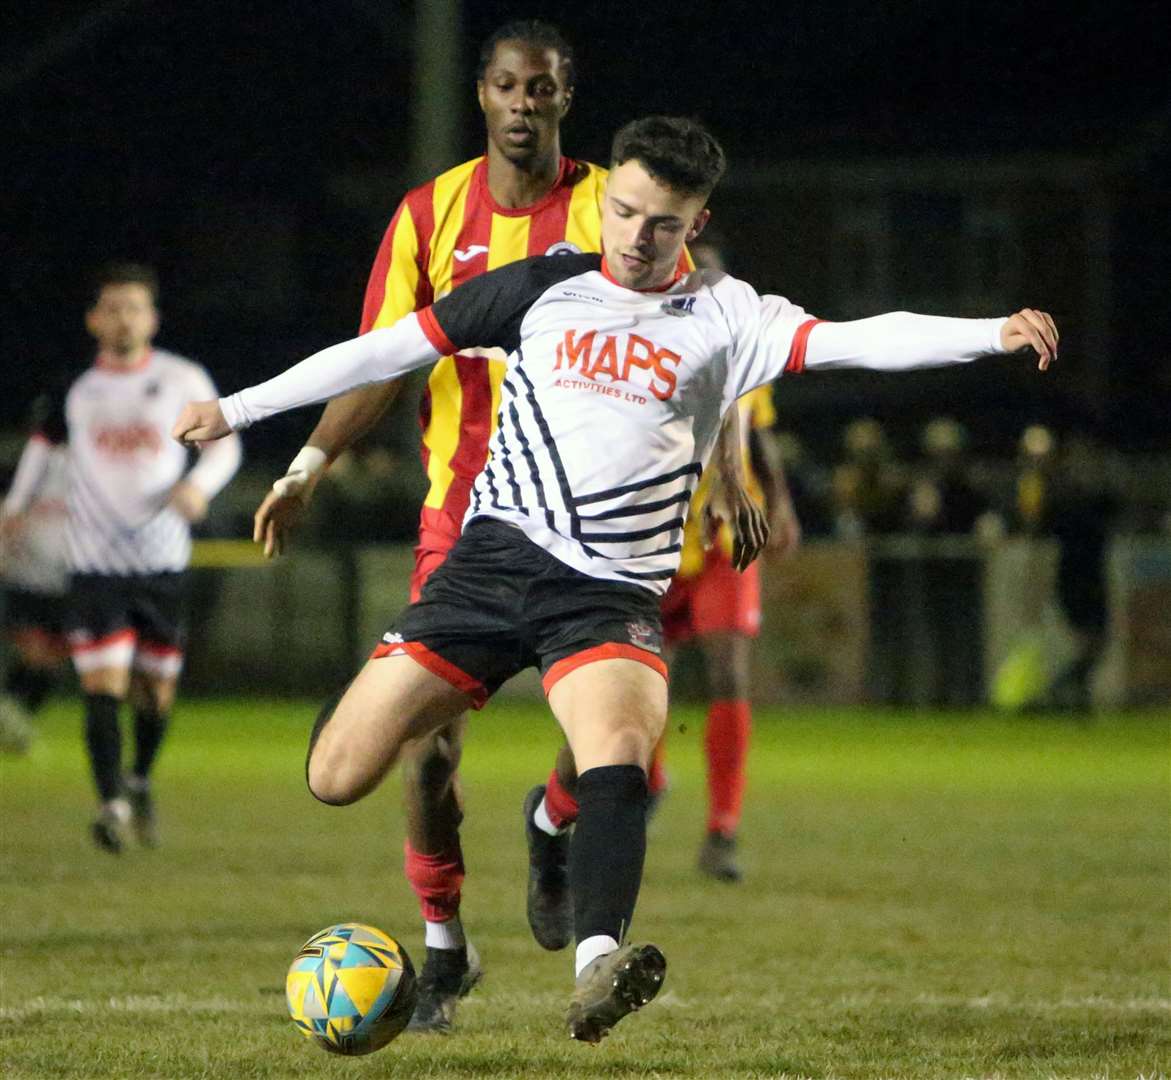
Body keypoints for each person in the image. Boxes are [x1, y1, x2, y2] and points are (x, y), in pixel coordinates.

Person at [174, 115, 1058, 1043]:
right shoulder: (539, 287)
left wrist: (991, 330)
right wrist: (238, 410)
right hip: (491, 567)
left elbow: (861, 338)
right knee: (335, 775)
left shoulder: (728, 313)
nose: (636, 237)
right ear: (610, 199)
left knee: (620, 753)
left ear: (696, 220)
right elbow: (386, 350)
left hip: (605, 595)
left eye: (662, 223)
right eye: (625, 212)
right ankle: (472, 774)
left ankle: (598, 961)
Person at [245, 20, 756, 1033]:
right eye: (509, 87)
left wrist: (731, 470)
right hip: (465, 516)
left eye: (546, 89)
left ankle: (554, 821)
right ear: (482, 95)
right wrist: (307, 462)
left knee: (613, 746)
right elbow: (385, 355)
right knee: (425, 751)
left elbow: (713, 332)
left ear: (567, 99)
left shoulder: (620, 196)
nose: (526, 104)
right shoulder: (429, 212)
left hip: (601, 530)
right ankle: (442, 947)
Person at [523, 232, 802, 886]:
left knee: (730, 671)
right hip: (646, 539)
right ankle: (634, 786)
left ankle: (721, 831)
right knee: (636, 691)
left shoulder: (737, 350)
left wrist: (781, 505)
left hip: (722, 536)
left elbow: (757, 431)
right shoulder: (632, 348)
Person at [7, 263, 241, 851]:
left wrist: (198, 488)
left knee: (155, 694)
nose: (123, 318)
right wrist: (13, 507)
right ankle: (110, 803)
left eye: (134, 307)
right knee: (102, 687)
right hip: (94, 566)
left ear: (152, 318)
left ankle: (138, 780)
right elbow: (41, 450)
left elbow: (225, 446)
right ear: (93, 319)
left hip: (161, 563)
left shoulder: (182, 378)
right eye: (112, 308)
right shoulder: (76, 389)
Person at [0, 400, 72, 752]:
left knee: (53, 661)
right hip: (26, 576)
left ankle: (14, 718)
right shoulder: (26, 466)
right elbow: (8, 513)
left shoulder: (90, 464)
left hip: (69, 580)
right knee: (34, 653)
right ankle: (10, 717)